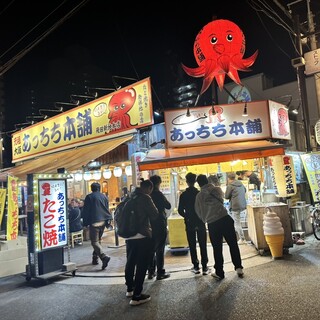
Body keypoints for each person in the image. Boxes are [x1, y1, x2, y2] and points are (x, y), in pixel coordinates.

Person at [195, 174, 244, 280]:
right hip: (225, 218)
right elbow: (222, 199)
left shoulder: (199, 196)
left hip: (213, 223)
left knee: (217, 248)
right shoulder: (216, 189)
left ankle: (219, 272)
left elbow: (198, 211)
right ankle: (238, 267)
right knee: (233, 244)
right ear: (207, 181)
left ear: (198, 184)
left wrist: (205, 218)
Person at [124, 179, 159, 306]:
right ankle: (137, 295)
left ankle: (129, 289)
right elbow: (154, 214)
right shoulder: (145, 198)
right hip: (142, 235)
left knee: (130, 262)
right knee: (142, 265)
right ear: (149, 188)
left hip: (128, 236)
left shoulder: (129, 197)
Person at [178, 172, 209, 275]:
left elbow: (180, 210)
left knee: (192, 244)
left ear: (187, 182)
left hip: (189, 222)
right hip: (200, 221)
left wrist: (187, 217)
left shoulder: (183, 195)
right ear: (195, 181)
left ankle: (196, 266)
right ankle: (204, 266)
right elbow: (204, 207)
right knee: (202, 244)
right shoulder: (199, 193)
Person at [82, 182, 112, 270]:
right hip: (104, 220)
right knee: (98, 240)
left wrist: (85, 223)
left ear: (91, 189)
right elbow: (106, 208)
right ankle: (95, 258)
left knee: (94, 242)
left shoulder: (89, 197)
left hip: (94, 221)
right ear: (99, 188)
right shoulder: (104, 196)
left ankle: (103, 257)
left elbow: (86, 211)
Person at [148, 174, 171, 280]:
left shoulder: (147, 195)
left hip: (149, 225)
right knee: (160, 248)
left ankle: (150, 271)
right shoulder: (158, 194)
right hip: (159, 223)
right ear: (158, 184)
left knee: (151, 248)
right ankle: (160, 272)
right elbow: (168, 205)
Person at [225, 172, 247, 245]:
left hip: (235, 206)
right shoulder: (240, 183)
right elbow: (245, 190)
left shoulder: (230, 186)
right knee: (238, 222)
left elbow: (226, 196)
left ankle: (242, 239)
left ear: (228, 179)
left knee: (237, 223)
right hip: (243, 205)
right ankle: (240, 237)